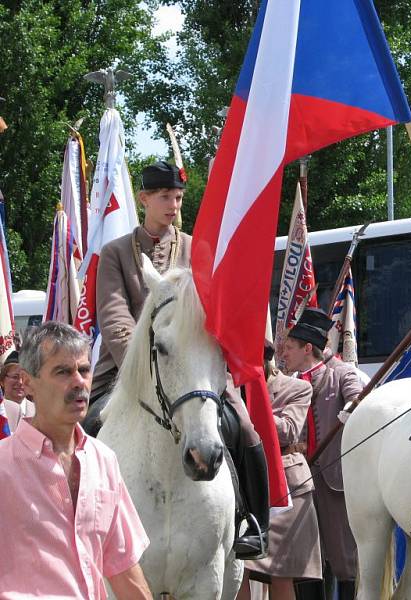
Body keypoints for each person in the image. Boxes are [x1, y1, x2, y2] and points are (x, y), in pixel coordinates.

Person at [85, 160, 270, 559]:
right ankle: (73, 525)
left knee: (246, 429)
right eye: (165, 197)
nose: (173, 205)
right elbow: (115, 320)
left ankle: (253, 522)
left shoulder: (196, 249)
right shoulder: (115, 254)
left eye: (179, 197)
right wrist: (143, 365)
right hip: (129, 370)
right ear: (144, 199)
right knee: (82, 428)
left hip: (195, 372)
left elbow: (224, 309)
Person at [0, 322, 150, 598]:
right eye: (63, 372)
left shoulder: (103, 460)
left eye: (83, 370)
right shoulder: (3, 466)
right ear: (27, 381)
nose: (79, 381)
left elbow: (125, 571)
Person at [281, 308, 362, 600]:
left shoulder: (341, 372)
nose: (284, 353)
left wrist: (351, 408)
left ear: (307, 348)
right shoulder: (288, 382)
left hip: (332, 481)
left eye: (289, 347)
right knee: (308, 561)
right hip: (301, 483)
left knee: (344, 559)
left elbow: (358, 400)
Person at [240, 342, 322, 600]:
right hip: (245, 484)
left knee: (281, 571)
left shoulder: (297, 387)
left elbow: (288, 430)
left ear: (265, 362)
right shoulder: (231, 387)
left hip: (287, 487)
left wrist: (251, 405)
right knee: (238, 567)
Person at [1, 350, 35, 431]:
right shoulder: (1, 410)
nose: (20, 382)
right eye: (15, 377)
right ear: (2, 381)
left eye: (24, 378)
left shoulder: (40, 413)